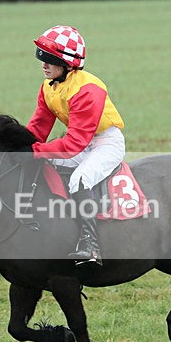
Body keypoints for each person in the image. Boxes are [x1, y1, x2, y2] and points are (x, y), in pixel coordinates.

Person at [14, 25, 126, 266]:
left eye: (50, 59)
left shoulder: (88, 89)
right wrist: (17, 146)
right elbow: (38, 128)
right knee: (44, 162)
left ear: (68, 64)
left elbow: (74, 143)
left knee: (80, 179)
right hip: (82, 143)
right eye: (41, 57)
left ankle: (90, 245)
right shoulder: (48, 86)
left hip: (105, 144)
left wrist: (33, 152)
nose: (43, 64)